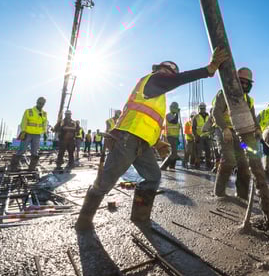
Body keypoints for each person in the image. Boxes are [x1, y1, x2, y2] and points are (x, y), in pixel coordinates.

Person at [75, 47, 230, 231]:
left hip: (142, 144)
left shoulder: (157, 95)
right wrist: (208, 69)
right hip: (128, 138)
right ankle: (83, 223)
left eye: (170, 73)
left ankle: (140, 217)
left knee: (153, 177)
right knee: (105, 183)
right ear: (159, 70)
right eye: (167, 72)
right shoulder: (152, 80)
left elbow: (148, 120)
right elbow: (178, 80)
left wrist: (156, 142)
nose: (168, 75)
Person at [211, 68, 259, 199]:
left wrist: (257, 130)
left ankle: (242, 194)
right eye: (241, 82)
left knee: (244, 162)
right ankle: (219, 193)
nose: (243, 85)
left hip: (239, 136)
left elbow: (253, 118)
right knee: (229, 159)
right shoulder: (224, 94)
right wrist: (224, 129)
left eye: (246, 83)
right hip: (223, 131)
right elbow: (216, 112)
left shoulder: (249, 100)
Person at [9, 97, 48, 171]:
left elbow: (44, 124)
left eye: (42, 103)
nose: (41, 104)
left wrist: (45, 132)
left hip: (37, 135)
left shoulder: (44, 113)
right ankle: (13, 167)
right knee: (22, 150)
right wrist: (23, 131)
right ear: (37, 102)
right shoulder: (29, 111)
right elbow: (24, 121)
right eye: (40, 103)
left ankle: (32, 168)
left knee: (35, 151)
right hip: (27, 133)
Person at [160, 102, 181, 170]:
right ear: (171, 108)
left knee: (175, 152)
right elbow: (174, 121)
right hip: (170, 136)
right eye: (175, 108)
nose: (175, 109)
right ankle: (163, 166)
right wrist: (177, 113)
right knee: (173, 153)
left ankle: (172, 166)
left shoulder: (175, 117)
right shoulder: (168, 115)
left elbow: (176, 125)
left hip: (175, 137)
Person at [192, 102, 211, 169]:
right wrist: (196, 136)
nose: (202, 109)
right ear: (199, 109)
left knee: (208, 151)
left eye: (203, 108)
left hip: (207, 136)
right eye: (201, 108)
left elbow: (211, 126)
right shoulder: (196, 117)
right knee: (198, 152)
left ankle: (208, 164)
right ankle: (197, 165)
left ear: (205, 108)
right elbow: (193, 128)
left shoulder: (209, 116)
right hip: (199, 137)